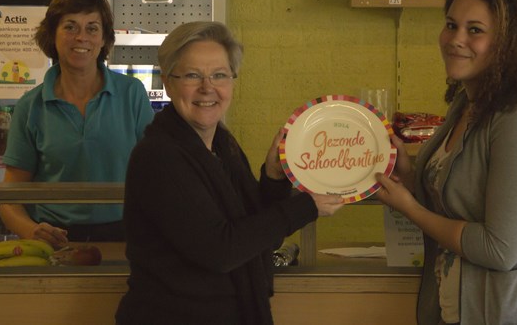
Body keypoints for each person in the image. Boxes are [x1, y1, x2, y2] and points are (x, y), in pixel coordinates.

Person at [376, 0, 517, 325]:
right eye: (451, 25)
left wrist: (410, 208)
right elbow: (456, 210)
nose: (455, 39)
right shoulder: (465, 103)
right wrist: (410, 179)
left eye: (475, 30)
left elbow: (499, 249)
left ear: (507, 43)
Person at [115, 21, 345, 325]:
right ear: (168, 83)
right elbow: (220, 249)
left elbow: (257, 236)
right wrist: (306, 206)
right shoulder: (159, 156)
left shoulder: (223, 147)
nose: (207, 87)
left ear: (232, 82)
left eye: (219, 75)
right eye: (193, 75)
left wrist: (274, 178)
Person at [0, 0, 154, 248]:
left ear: (104, 39)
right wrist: (32, 231)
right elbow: (10, 199)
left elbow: (156, 175)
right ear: (52, 35)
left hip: (126, 235)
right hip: (54, 238)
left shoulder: (132, 94)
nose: (81, 37)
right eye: (70, 27)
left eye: (92, 28)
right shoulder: (31, 105)